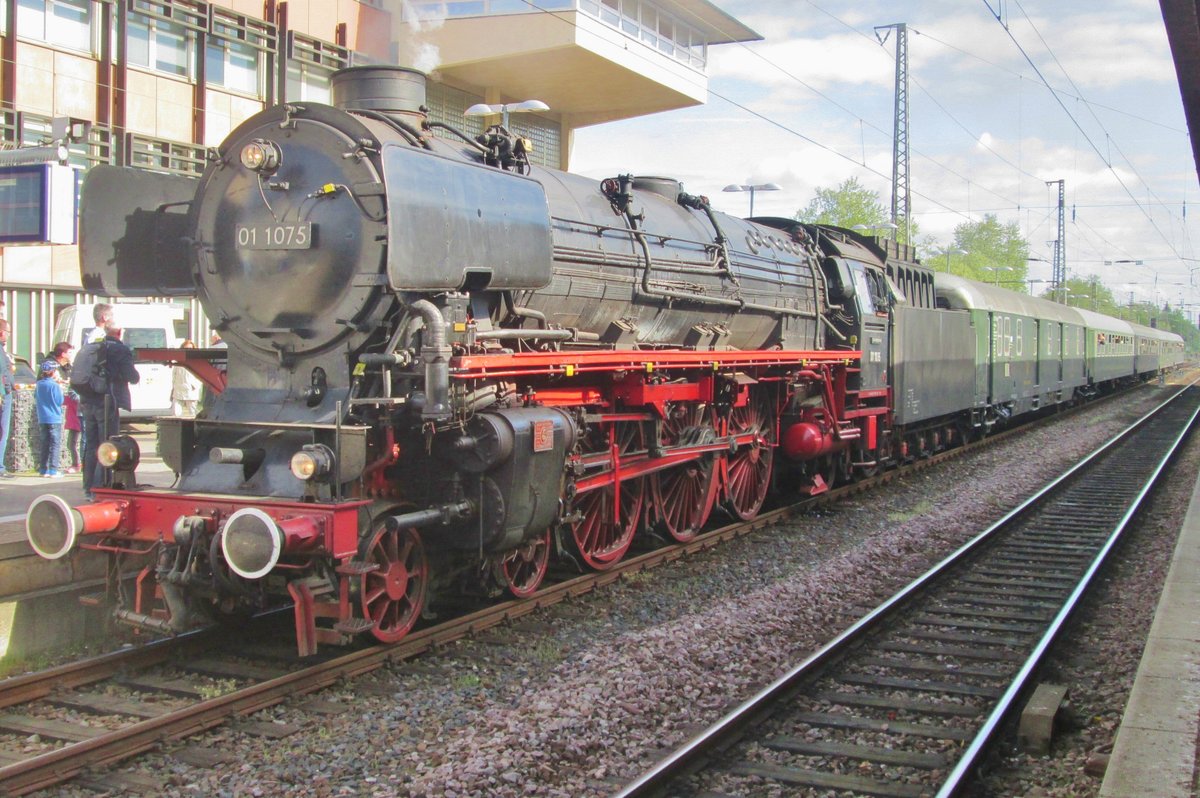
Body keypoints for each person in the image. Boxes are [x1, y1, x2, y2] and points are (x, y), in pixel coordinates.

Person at [78, 304, 140, 499]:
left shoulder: (93, 345)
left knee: (91, 444)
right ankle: (101, 486)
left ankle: (88, 487)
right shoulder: (119, 350)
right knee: (108, 444)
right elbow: (132, 376)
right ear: (119, 332)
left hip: (88, 398)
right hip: (107, 401)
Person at [52, 341, 81, 474]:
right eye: (69, 352)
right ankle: (77, 464)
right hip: (72, 417)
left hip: (76, 417)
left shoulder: (72, 371)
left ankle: (77, 464)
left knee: (75, 443)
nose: (71, 354)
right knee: (72, 443)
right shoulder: (57, 367)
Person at [35, 360, 64, 478]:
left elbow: (35, 397)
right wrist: (60, 387)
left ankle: (43, 469)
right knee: (55, 443)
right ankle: (53, 470)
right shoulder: (55, 385)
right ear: (53, 372)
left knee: (45, 443)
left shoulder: (39, 385)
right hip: (54, 418)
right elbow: (59, 401)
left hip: (42, 417)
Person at [171, 340, 202, 416]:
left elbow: (201, 376)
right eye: (186, 348)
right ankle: (177, 426)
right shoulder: (178, 360)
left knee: (193, 412)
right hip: (179, 389)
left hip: (191, 389)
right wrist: (174, 386)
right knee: (176, 412)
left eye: (190, 348)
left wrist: (195, 385)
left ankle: (195, 426)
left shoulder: (197, 360)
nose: (188, 350)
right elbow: (174, 374)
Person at [0, 319, 13, 478]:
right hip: (3, 394)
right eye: (8, 332)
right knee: (3, 430)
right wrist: (8, 389)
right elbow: (3, 372)